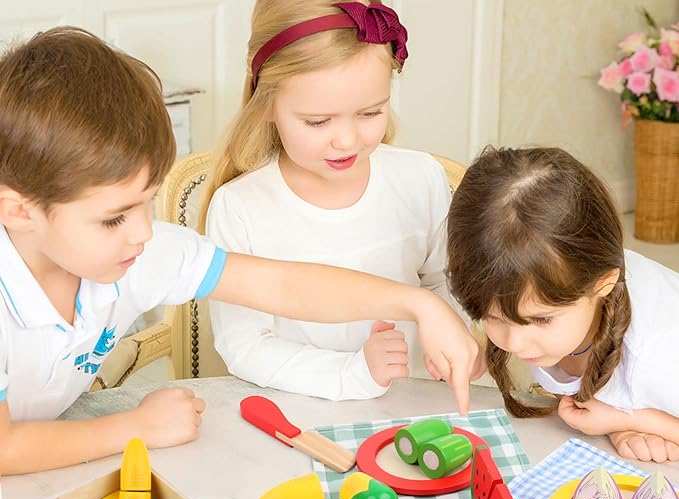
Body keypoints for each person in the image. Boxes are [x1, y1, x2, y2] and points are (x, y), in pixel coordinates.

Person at [0, 26, 478, 474]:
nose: (144, 231)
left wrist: (421, 304)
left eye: (147, 201)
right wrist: (133, 428)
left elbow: (284, 285)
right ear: (19, 211)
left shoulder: (141, 252)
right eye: (113, 218)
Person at [202, 0, 473, 400]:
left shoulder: (420, 179)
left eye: (370, 113)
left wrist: (457, 337)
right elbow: (244, 345)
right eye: (318, 121)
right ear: (266, 104)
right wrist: (353, 373)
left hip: (416, 405)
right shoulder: (240, 208)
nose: (347, 141)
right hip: (300, 413)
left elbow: (448, 283)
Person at [446, 145, 679, 463]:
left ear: (603, 283)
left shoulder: (657, 356)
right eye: (493, 317)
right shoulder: (557, 287)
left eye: (541, 319)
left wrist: (628, 420)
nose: (515, 343)